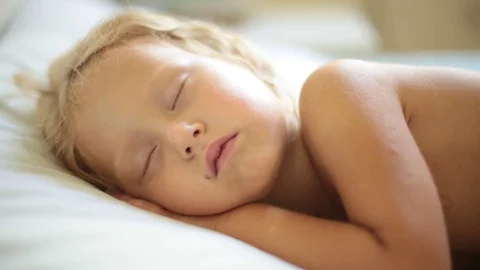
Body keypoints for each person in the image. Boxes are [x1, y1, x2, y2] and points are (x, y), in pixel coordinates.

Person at [15, 9, 480, 269]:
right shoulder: (315, 233)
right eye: (147, 159)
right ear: (149, 202)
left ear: (242, 58)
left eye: (177, 92)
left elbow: (415, 263)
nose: (182, 136)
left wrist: (217, 224)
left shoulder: (338, 94)